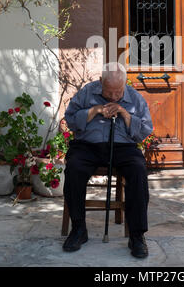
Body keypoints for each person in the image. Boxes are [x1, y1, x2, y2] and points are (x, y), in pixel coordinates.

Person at [62, 62, 153, 258]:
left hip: (124, 147)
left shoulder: (135, 98)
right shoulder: (87, 92)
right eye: (109, 92)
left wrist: (125, 114)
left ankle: (137, 236)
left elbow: (145, 130)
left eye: (118, 92)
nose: (113, 96)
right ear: (101, 81)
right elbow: (70, 119)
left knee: (138, 170)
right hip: (88, 146)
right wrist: (94, 111)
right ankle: (79, 229)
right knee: (74, 168)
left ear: (124, 84)